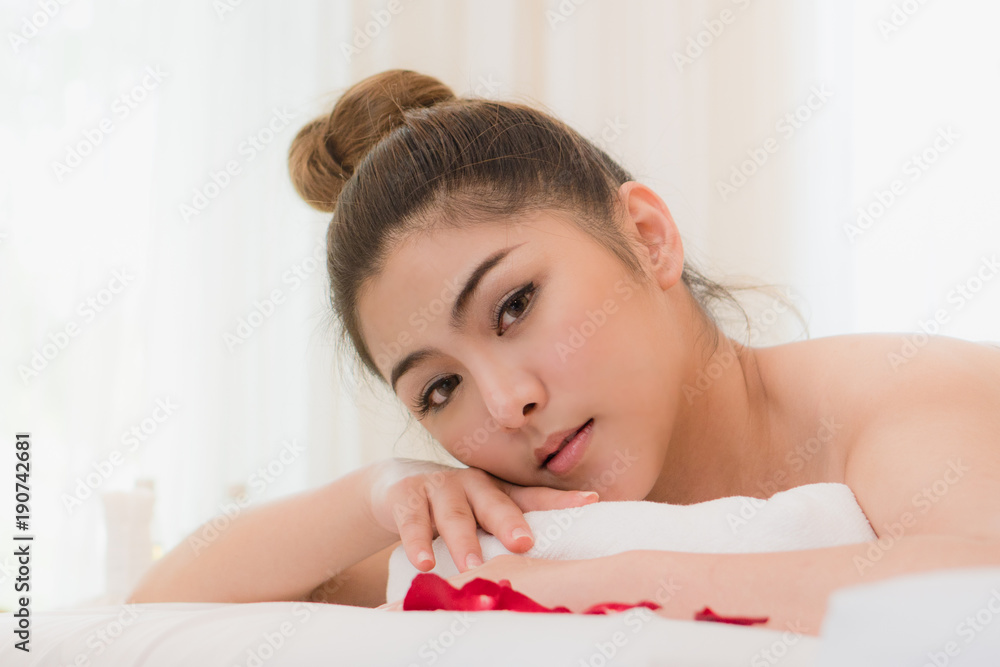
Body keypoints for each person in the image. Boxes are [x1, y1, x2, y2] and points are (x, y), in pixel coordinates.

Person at [128, 70, 1000, 633]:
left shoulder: (900, 395)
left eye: (514, 306)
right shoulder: (513, 525)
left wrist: (602, 585)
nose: (505, 404)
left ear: (648, 236)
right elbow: (155, 609)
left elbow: (980, 580)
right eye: (439, 389)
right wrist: (376, 492)